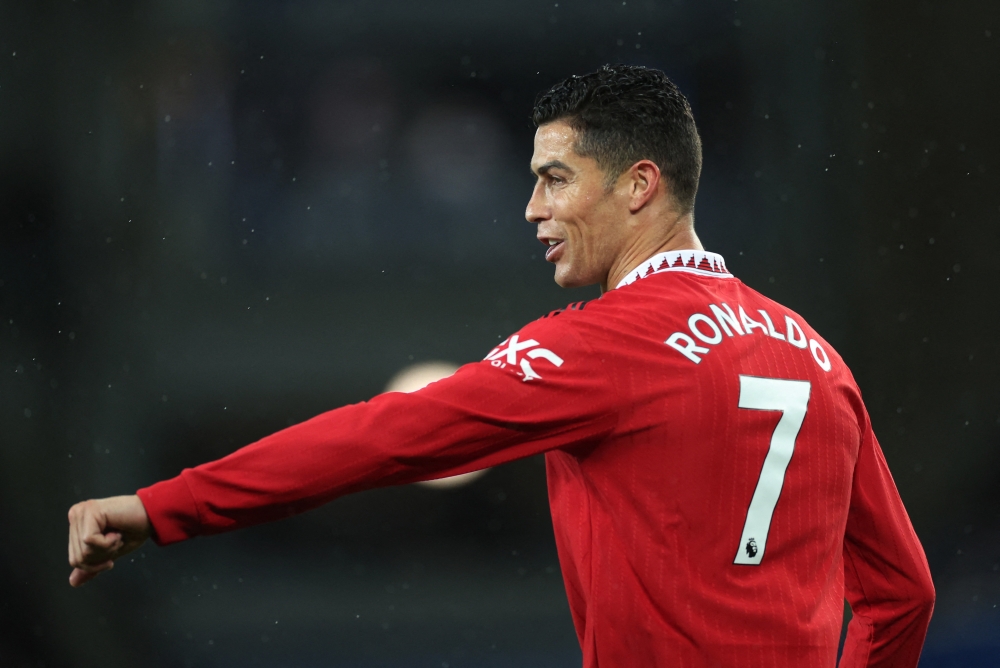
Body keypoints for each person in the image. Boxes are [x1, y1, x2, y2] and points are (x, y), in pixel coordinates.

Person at [67, 64, 934, 667]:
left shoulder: (603, 344)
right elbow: (905, 594)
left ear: (639, 186)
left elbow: (383, 437)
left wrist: (159, 507)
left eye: (555, 180)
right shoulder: (818, 358)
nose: (531, 208)